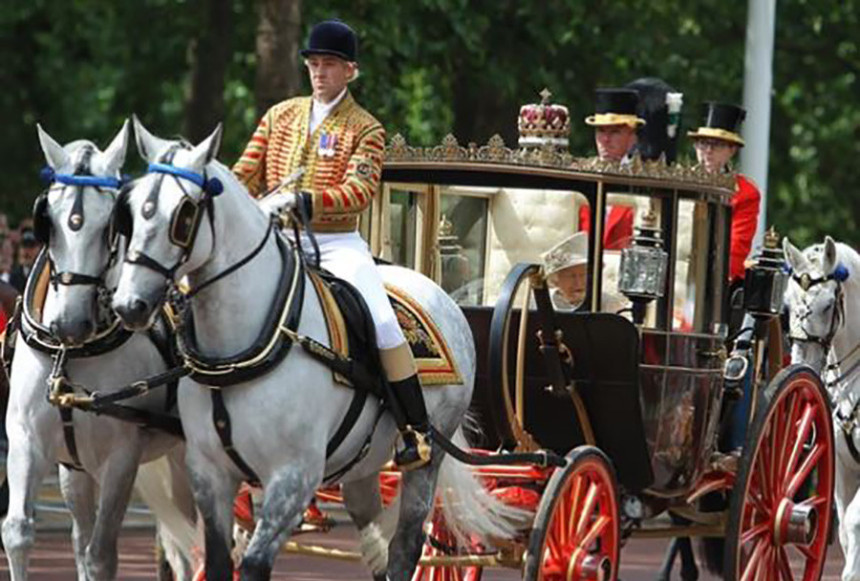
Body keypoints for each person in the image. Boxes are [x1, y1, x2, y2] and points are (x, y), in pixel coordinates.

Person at [233, 20, 431, 469]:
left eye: (329, 65)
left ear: (351, 71)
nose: (319, 73)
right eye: (314, 64)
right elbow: (243, 170)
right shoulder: (278, 116)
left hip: (336, 241)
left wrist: (306, 201)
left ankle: (414, 430)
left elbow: (359, 191)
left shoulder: (367, 128)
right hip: (275, 238)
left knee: (382, 319)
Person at [687, 102, 760, 283]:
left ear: (732, 150)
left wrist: (712, 279)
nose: (708, 151)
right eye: (703, 144)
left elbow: (736, 247)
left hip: (715, 279)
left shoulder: (745, 192)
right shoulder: (680, 181)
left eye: (717, 145)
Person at [579, 88, 646, 250]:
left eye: (615, 132)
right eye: (601, 131)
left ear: (632, 137)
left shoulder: (642, 180)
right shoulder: (581, 175)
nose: (606, 139)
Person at [542, 232, 588, 311]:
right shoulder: (543, 303)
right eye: (571, 276)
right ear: (555, 280)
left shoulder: (608, 305)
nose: (579, 282)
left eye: (584, 275)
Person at [8, 227, 41, 293]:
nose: (27, 251)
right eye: (24, 246)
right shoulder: (13, 275)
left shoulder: (44, 275)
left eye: (31, 247)